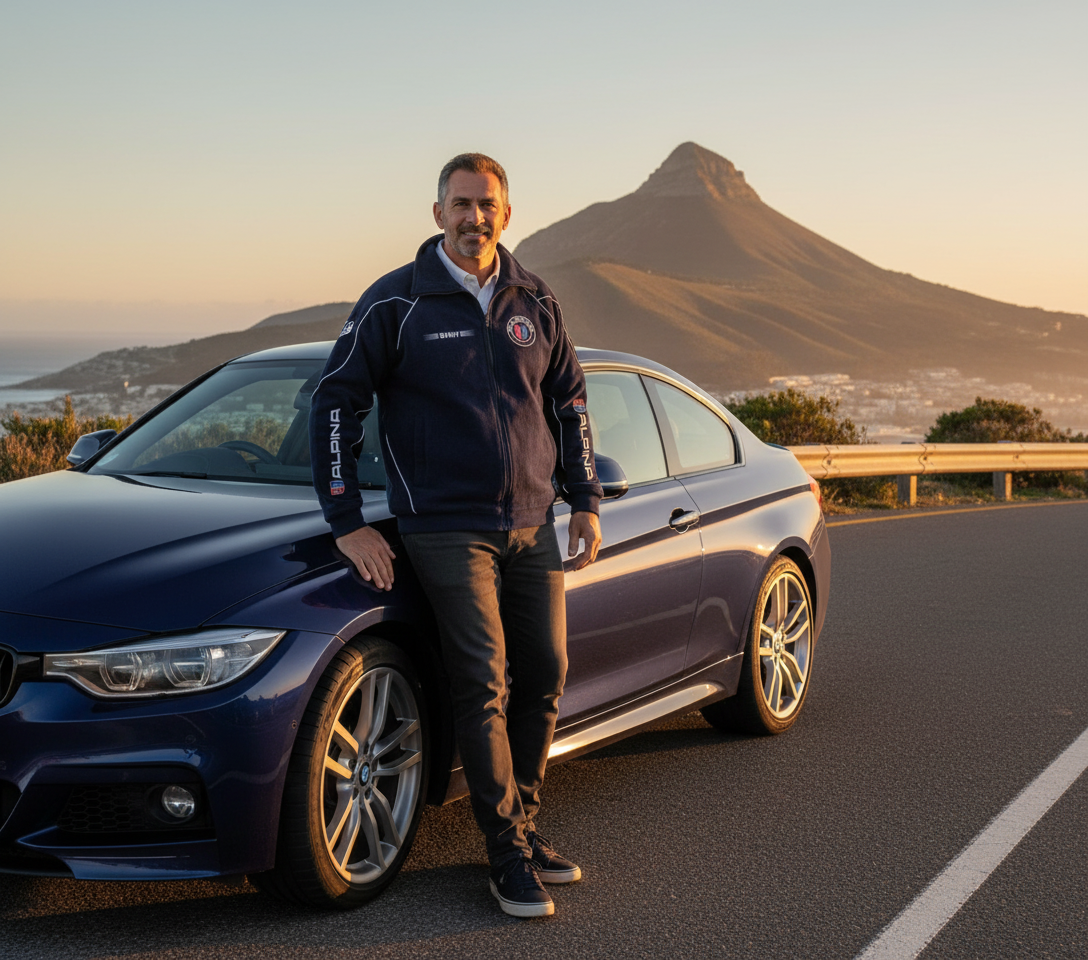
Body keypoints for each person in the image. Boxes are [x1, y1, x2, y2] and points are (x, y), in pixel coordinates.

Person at [309, 153, 603, 918]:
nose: (475, 217)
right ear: (438, 212)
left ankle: (523, 829)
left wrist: (586, 499)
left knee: (545, 674)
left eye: (487, 204)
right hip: (446, 529)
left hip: (532, 523)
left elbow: (570, 402)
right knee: (484, 681)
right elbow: (336, 403)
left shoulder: (535, 299)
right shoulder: (396, 301)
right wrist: (346, 522)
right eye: (462, 204)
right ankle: (505, 854)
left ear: (507, 213)